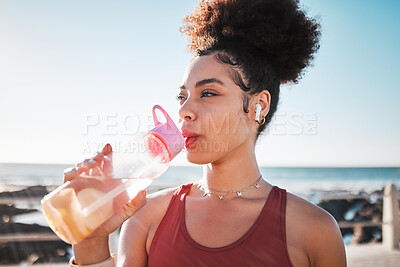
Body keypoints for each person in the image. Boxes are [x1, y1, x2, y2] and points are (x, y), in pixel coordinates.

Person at [65, 0, 347, 266]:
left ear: (258, 106)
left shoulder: (314, 230)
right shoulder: (145, 217)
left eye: (208, 93)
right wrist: (90, 241)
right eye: (182, 96)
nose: (184, 111)